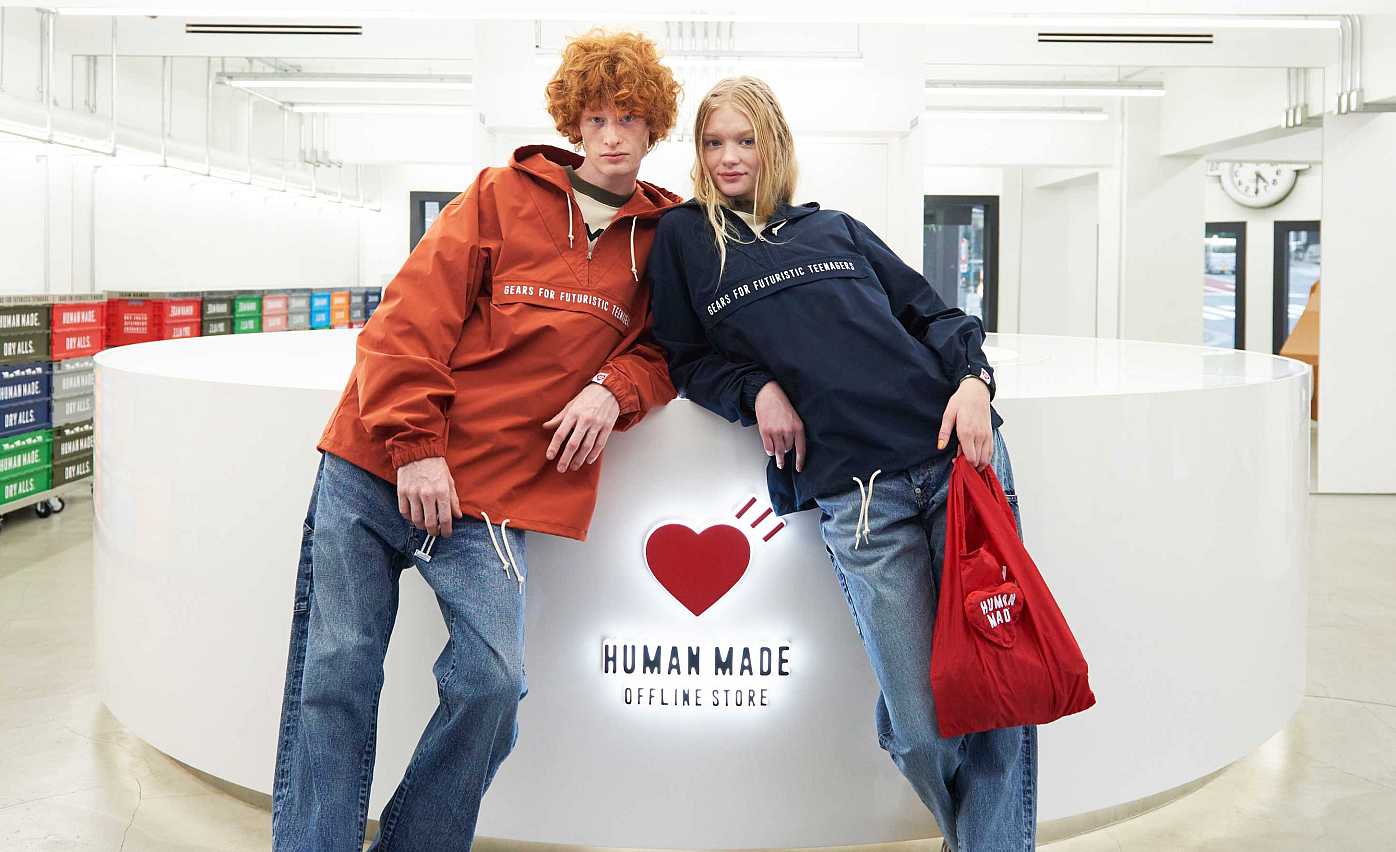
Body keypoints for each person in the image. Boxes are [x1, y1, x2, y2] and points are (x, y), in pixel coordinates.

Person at [271, 31, 681, 851]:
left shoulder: (666, 237)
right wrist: (416, 445)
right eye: (596, 119)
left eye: (629, 118)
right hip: (373, 466)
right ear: (573, 124)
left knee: (494, 682)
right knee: (337, 674)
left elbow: (674, 348)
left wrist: (614, 387)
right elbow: (408, 319)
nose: (611, 136)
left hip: (489, 497)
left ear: (653, 126)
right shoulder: (499, 195)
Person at [647, 76, 1037, 852]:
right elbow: (684, 359)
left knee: (1000, 689)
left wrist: (973, 381)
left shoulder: (834, 229)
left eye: (745, 140)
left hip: (956, 462)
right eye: (713, 142)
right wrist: (755, 389)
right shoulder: (686, 238)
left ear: (775, 144)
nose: (729, 157)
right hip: (858, 497)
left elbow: (934, 315)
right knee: (919, 728)